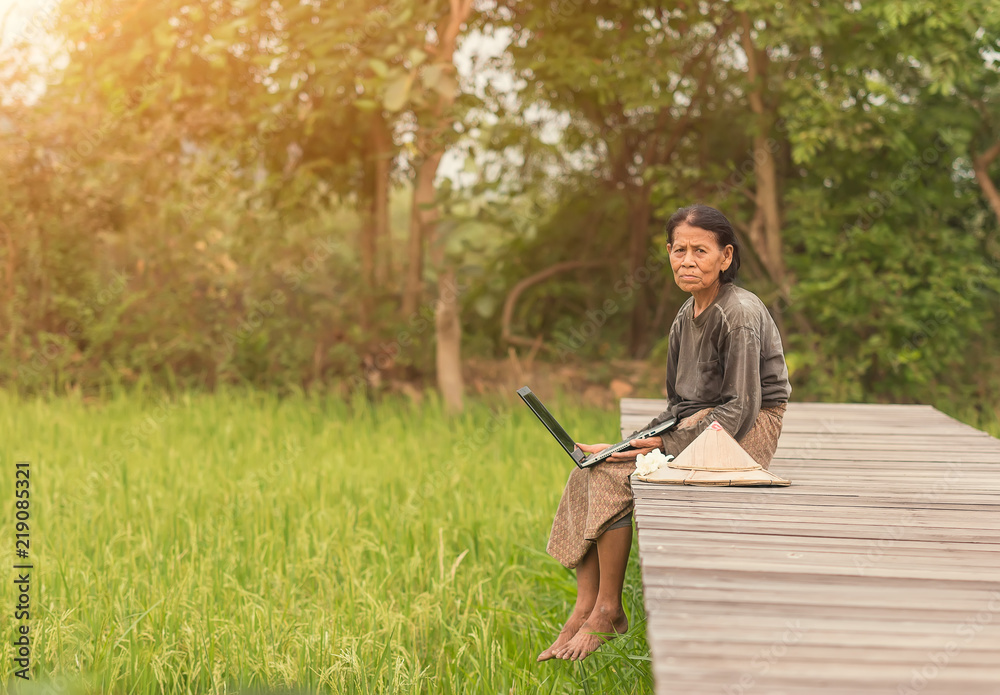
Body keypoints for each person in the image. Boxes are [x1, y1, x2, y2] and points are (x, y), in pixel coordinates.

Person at [537, 203, 791, 662]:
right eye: (678, 250)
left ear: (726, 257)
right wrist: (627, 444)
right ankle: (583, 607)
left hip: (749, 430)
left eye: (700, 250)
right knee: (590, 471)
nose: (687, 260)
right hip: (701, 422)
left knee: (618, 477)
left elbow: (742, 407)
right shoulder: (684, 314)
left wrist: (664, 446)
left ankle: (609, 609)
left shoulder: (740, 314)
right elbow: (678, 407)